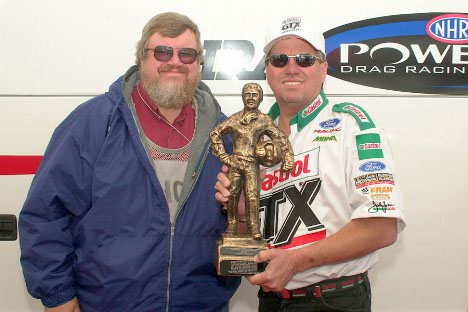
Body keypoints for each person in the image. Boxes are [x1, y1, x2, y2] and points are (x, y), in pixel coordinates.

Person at [19, 12, 240, 312]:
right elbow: (44, 214)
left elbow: (242, 222)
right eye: (162, 51)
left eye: (187, 54)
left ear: (199, 63)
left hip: (201, 303)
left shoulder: (226, 134)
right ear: (141, 58)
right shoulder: (92, 125)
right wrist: (58, 297)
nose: (175, 61)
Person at [215, 15, 406, 311]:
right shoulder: (259, 138)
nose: (291, 68)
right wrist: (240, 211)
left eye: (304, 59)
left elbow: (382, 227)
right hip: (271, 300)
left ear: (323, 68)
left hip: (332, 300)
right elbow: (251, 238)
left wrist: (294, 262)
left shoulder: (352, 125)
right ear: (267, 71)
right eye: (279, 60)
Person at [210, 83, 293, 240]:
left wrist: (287, 158)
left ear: (260, 98)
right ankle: (232, 227)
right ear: (242, 97)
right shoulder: (234, 119)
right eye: (247, 94)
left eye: (254, 95)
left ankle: (254, 228)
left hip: (251, 164)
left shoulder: (264, 120)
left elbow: (280, 138)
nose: (250, 98)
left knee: (252, 195)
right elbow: (215, 133)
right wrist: (223, 156)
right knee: (232, 194)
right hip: (235, 163)